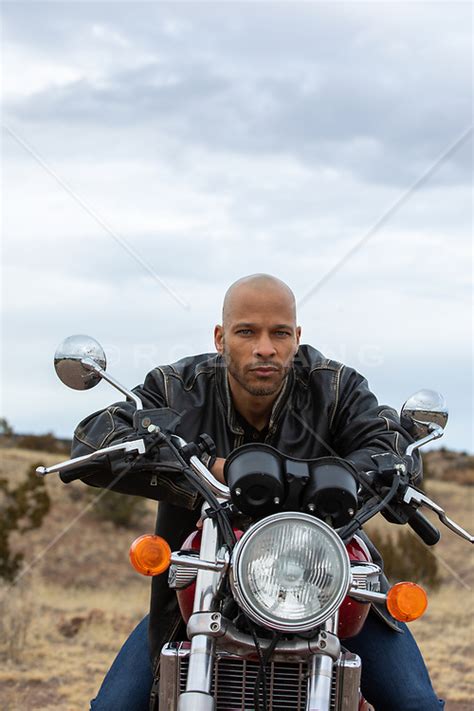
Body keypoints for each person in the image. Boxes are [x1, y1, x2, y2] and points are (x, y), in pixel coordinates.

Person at [72, 274, 444, 710]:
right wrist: (211, 468)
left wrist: (335, 476)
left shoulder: (336, 388)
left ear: (297, 338)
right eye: (246, 331)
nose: (264, 347)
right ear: (220, 337)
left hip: (329, 589)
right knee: (114, 706)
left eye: (279, 333)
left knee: (414, 703)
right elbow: (95, 439)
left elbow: (389, 445)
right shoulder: (178, 388)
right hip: (208, 587)